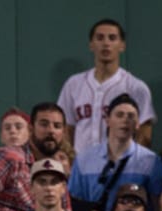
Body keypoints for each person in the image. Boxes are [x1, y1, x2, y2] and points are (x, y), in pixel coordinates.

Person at [67, 94, 162, 211]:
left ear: (138, 124)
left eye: (131, 116)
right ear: (108, 120)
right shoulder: (84, 159)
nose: (125, 120)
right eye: (119, 115)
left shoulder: (150, 161)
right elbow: (71, 200)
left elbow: (160, 204)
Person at [56, 19, 156, 153]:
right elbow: (67, 129)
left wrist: (130, 164)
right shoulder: (73, 84)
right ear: (91, 44)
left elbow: (144, 133)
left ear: (122, 45)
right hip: (81, 165)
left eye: (112, 38)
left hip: (119, 166)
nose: (106, 43)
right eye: (100, 38)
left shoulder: (135, 87)